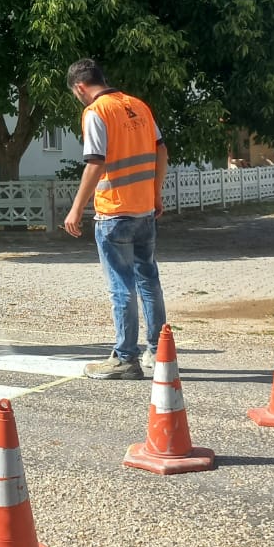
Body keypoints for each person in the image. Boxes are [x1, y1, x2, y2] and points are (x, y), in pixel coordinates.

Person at [62, 58, 168, 380]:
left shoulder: (96, 111)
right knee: (148, 281)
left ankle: (125, 358)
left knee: (121, 287)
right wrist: (155, 193)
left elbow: (95, 163)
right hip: (144, 210)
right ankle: (158, 351)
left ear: (80, 87)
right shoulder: (138, 105)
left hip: (113, 213)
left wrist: (76, 207)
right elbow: (162, 151)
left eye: (75, 93)